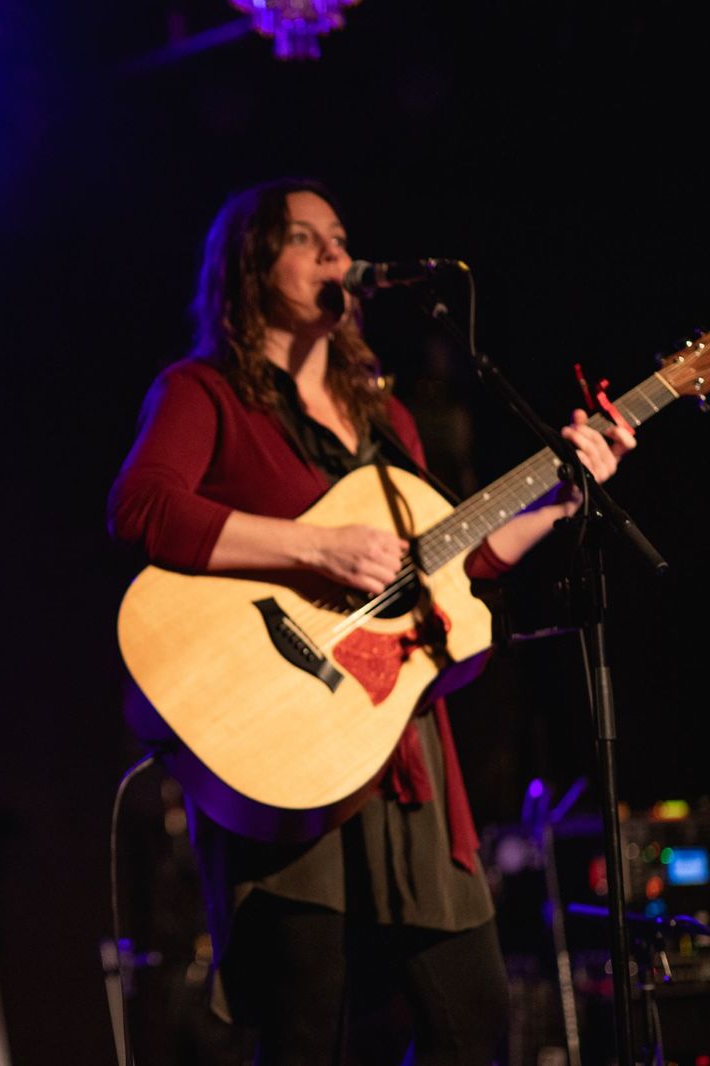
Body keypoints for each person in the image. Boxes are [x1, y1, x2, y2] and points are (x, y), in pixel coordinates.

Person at [107, 178, 634, 1064]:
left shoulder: (386, 419)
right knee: (305, 1032)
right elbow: (143, 508)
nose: (335, 254)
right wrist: (316, 549)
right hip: (285, 748)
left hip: (403, 752)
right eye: (304, 238)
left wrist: (559, 499)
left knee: (474, 1028)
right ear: (248, 265)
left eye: (340, 238)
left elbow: (449, 569)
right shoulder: (204, 392)